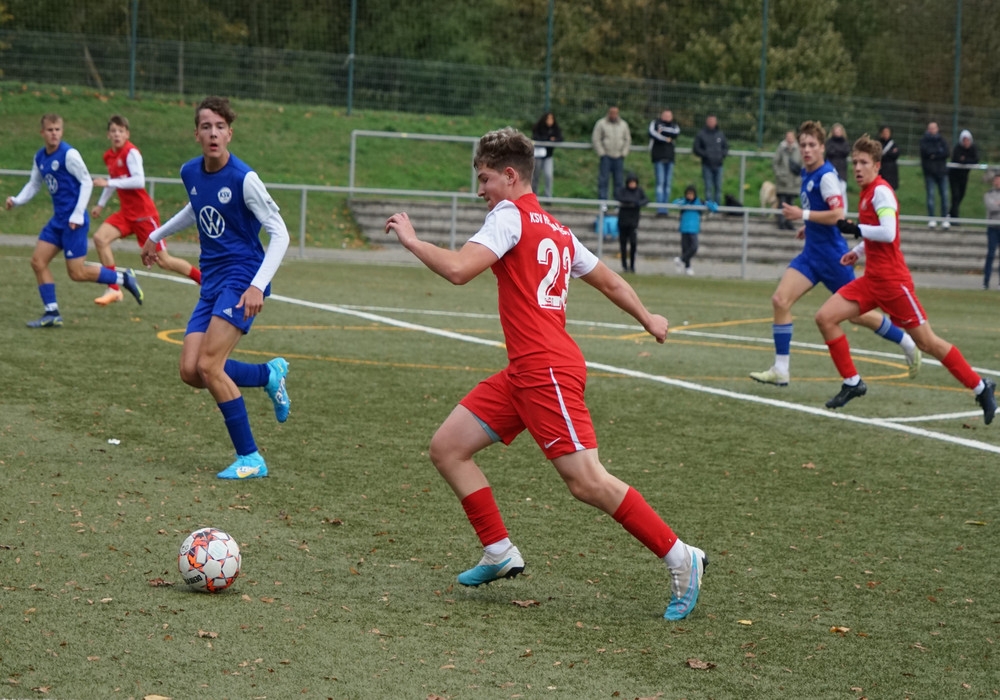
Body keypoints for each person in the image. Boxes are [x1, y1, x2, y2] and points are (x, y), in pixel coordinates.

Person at [384, 127, 707, 621]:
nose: (480, 190)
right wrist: (648, 317)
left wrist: (411, 240)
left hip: (546, 369)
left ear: (510, 176)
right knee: (448, 448)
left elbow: (458, 270)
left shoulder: (508, 216)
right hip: (526, 370)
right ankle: (498, 550)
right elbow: (610, 281)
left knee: (587, 481)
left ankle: (681, 556)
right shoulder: (556, 228)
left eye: (486, 179)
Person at [140, 96, 291, 480]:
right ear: (196, 134)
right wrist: (156, 235)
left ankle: (251, 458)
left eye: (220, 127)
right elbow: (196, 208)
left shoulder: (244, 179)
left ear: (229, 134)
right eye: (206, 126)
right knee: (191, 371)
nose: (213, 133)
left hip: (242, 278)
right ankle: (267, 375)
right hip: (212, 280)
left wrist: (257, 285)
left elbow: (280, 234)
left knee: (209, 365)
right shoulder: (190, 172)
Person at [815, 134, 996, 423]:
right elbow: (877, 235)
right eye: (855, 162)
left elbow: (888, 232)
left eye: (863, 163)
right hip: (872, 280)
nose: (857, 168)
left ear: (877, 165)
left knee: (928, 343)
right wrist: (857, 252)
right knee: (825, 317)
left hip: (893, 283)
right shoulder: (866, 193)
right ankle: (852, 382)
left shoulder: (881, 192)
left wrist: (856, 230)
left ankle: (981, 387)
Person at [750, 120, 920, 387]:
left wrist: (803, 215)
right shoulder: (807, 173)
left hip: (833, 258)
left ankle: (906, 341)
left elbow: (839, 214)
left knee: (857, 315)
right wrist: (809, 226)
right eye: (803, 145)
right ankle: (781, 369)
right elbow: (823, 214)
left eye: (812, 145)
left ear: (822, 148)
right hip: (811, 256)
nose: (806, 150)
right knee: (780, 301)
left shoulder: (827, 177)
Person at [5, 113, 143, 328]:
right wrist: (17, 200)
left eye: (57, 130)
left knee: (77, 273)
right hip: (58, 221)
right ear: (42, 132)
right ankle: (52, 313)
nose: (54, 134)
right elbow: (34, 184)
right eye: (50, 130)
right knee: (38, 262)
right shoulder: (40, 157)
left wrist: (78, 214)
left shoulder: (69, 154)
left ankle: (123, 278)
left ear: (62, 131)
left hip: (74, 222)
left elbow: (86, 181)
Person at [91, 114, 202, 306]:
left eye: (121, 131)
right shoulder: (109, 156)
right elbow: (113, 181)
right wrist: (101, 204)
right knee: (100, 238)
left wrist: (109, 182)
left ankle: (204, 281)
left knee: (165, 261)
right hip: (126, 214)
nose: (117, 134)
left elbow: (138, 181)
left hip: (144, 215)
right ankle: (114, 289)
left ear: (127, 134)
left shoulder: (131, 153)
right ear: (108, 135)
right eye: (113, 131)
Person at [671, 184, 717, 276]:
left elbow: (714, 207)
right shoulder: (684, 202)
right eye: (688, 194)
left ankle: (680, 260)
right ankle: (687, 267)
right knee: (685, 248)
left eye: (691, 194)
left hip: (693, 229)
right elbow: (674, 203)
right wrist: (683, 201)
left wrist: (707, 204)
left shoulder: (699, 202)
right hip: (684, 228)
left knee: (694, 247)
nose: (689, 196)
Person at [592, 106, 631, 203]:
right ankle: (603, 203)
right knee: (603, 180)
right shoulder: (601, 123)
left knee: (619, 181)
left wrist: (624, 153)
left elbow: (627, 139)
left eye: (615, 113)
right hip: (606, 156)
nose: (613, 115)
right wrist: (602, 153)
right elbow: (596, 138)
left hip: (619, 157)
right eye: (612, 113)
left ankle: (617, 203)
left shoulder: (623, 124)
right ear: (608, 113)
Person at [648, 109, 680, 215]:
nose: (667, 117)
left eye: (669, 115)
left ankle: (665, 208)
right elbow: (652, 133)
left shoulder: (674, 125)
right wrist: (665, 139)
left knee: (668, 184)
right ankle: (660, 209)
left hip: (670, 158)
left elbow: (676, 133)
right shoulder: (655, 123)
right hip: (658, 157)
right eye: (665, 115)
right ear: (661, 115)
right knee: (660, 183)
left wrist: (662, 132)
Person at [615, 172, 648, 273]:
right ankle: (624, 265)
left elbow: (646, 200)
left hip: (633, 222)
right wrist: (632, 202)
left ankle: (632, 265)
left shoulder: (639, 191)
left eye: (634, 182)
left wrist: (637, 203)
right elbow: (618, 197)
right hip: (623, 221)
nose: (632, 184)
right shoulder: (623, 190)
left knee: (633, 243)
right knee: (623, 244)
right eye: (630, 182)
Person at [692, 114, 728, 205]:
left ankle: (716, 208)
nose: (711, 122)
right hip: (707, 164)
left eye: (713, 121)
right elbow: (696, 148)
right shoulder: (701, 134)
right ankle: (708, 207)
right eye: (710, 121)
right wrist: (706, 155)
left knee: (718, 188)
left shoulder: (720, 134)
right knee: (708, 188)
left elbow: (726, 147)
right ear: (706, 122)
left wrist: (721, 155)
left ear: (716, 122)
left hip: (719, 165)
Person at [919, 121, 949, 228]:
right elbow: (925, 152)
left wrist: (933, 155)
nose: (932, 130)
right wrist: (938, 152)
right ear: (928, 129)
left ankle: (945, 219)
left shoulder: (942, 140)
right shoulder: (924, 141)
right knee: (930, 196)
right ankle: (931, 218)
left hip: (942, 172)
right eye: (930, 128)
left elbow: (946, 153)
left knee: (945, 196)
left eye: (934, 128)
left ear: (937, 129)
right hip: (929, 172)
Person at [772, 130, 802, 230]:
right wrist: (779, 175)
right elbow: (775, 163)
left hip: (794, 181)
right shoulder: (781, 148)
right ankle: (781, 221)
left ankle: (789, 222)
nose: (789, 139)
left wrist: (800, 177)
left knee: (791, 203)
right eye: (788, 137)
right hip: (783, 181)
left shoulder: (798, 149)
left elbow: (802, 163)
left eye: (791, 137)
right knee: (782, 202)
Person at [947, 129, 979, 222]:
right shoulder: (958, 148)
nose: (966, 142)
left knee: (962, 194)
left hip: (964, 176)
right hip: (954, 175)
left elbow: (976, 159)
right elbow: (957, 159)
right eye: (964, 140)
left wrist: (965, 160)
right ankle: (955, 218)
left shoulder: (973, 148)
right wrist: (965, 160)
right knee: (955, 195)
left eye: (967, 140)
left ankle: (951, 213)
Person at [530, 112, 563, 199]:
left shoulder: (555, 128)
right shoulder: (539, 127)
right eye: (548, 119)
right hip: (538, 155)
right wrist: (548, 138)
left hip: (548, 156)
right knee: (535, 176)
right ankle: (534, 196)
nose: (550, 121)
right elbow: (536, 137)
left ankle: (548, 197)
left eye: (551, 119)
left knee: (549, 175)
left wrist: (553, 140)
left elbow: (560, 138)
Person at [825, 123, 850, 210]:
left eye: (839, 130)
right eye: (836, 130)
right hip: (831, 170)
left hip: (842, 171)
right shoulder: (829, 142)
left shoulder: (845, 142)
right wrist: (839, 151)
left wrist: (836, 151)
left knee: (842, 191)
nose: (837, 132)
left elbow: (846, 152)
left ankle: (843, 212)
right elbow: (830, 152)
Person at [983, 172, 1000, 289]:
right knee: (990, 254)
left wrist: (997, 205)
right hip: (993, 228)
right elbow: (991, 207)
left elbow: (995, 206)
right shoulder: (989, 194)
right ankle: (986, 282)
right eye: (996, 180)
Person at [878, 125, 901, 191]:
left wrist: (886, 154)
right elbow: (877, 155)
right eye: (884, 132)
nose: (886, 134)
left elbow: (896, 154)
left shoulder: (893, 144)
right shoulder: (878, 143)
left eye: (887, 132)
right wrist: (890, 153)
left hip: (891, 172)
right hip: (881, 170)